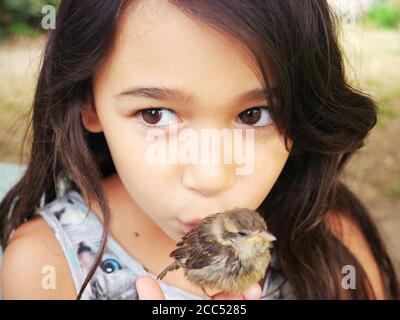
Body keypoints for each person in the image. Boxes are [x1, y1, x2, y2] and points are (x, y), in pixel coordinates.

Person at [0, 0, 398, 300]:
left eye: (255, 114)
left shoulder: (331, 239)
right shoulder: (46, 264)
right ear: (88, 103)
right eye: (155, 115)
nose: (210, 177)